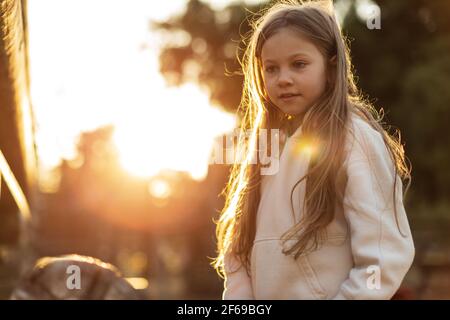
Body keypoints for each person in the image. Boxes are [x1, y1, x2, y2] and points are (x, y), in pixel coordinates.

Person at [212, 0, 415, 299]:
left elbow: (384, 257)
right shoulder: (264, 148)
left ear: (331, 67)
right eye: (271, 68)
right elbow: (239, 255)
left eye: (299, 64)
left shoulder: (354, 137)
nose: (283, 78)